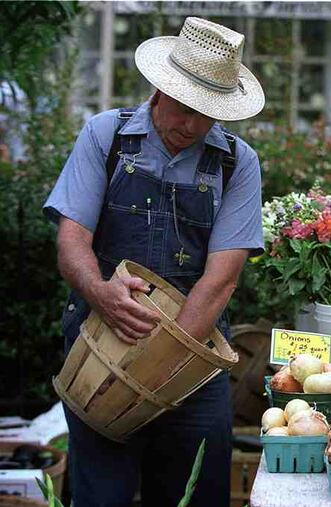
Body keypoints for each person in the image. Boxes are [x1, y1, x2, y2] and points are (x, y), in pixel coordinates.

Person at [43, 17, 266, 506]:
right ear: (160, 88)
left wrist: (162, 364)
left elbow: (220, 280)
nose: (191, 125)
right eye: (185, 108)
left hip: (194, 361)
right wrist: (102, 293)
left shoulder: (237, 163)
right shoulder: (107, 137)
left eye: (207, 114)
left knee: (194, 496)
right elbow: (72, 242)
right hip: (100, 344)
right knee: (101, 495)